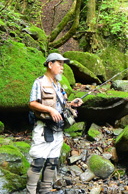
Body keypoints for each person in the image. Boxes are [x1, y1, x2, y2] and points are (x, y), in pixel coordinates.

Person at [26, 53, 83, 194]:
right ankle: (30, 191)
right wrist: (50, 110)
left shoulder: (59, 85)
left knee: (52, 163)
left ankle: (45, 191)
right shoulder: (39, 82)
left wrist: (71, 104)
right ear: (50, 64)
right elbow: (32, 103)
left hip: (58, 130)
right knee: (38, 162)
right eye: (60, 64)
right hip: (43, 128)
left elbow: (61, 106)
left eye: (63, 64)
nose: (62, 67)